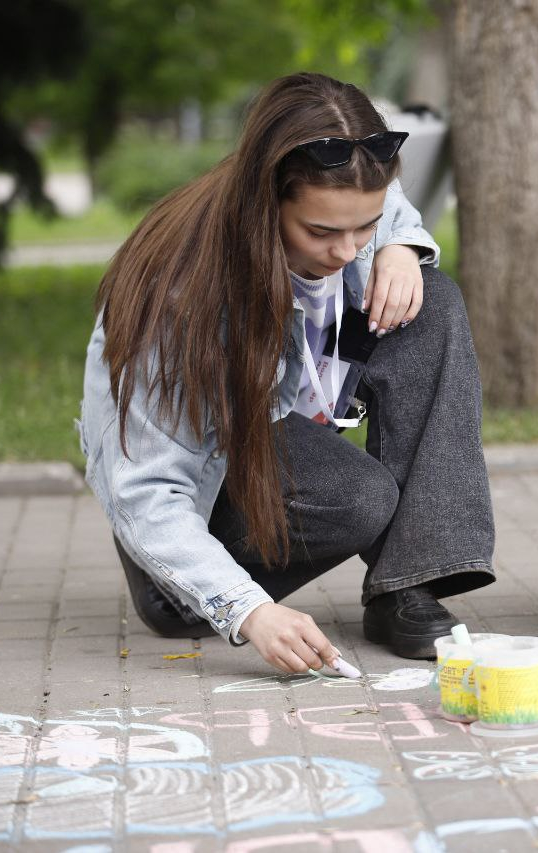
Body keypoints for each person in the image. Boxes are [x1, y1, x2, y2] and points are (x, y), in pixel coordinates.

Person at [77, 73, 495, 672]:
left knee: (430, 298)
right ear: (262, 201)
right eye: (322, 232)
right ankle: (177, 587)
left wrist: (399, 245)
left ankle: (408, 582)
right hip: (189, 494)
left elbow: (379, 205)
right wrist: (251, 612)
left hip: (278, 427)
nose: (349, 252)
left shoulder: (346, 183)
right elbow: (147, 491)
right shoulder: (178, 299)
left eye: (365, 227)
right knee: (359, 499)